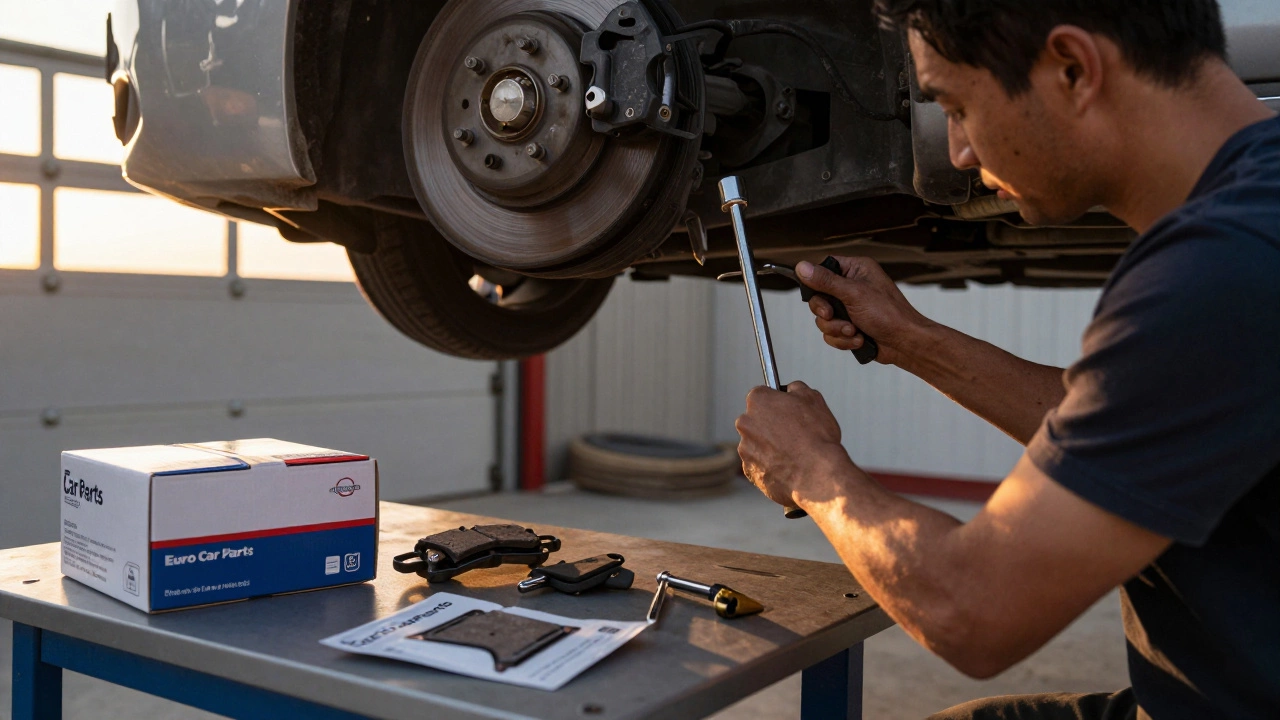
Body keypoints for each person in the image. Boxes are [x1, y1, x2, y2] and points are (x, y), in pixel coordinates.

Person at [732, 1, 1279, 717]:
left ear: (1073, 70)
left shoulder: (1219, 272)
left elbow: (973, 611)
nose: (957, 149)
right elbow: (1139, 428)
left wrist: (813, 472)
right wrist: (908, 339)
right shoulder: (1254, 214)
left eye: (957, 104)